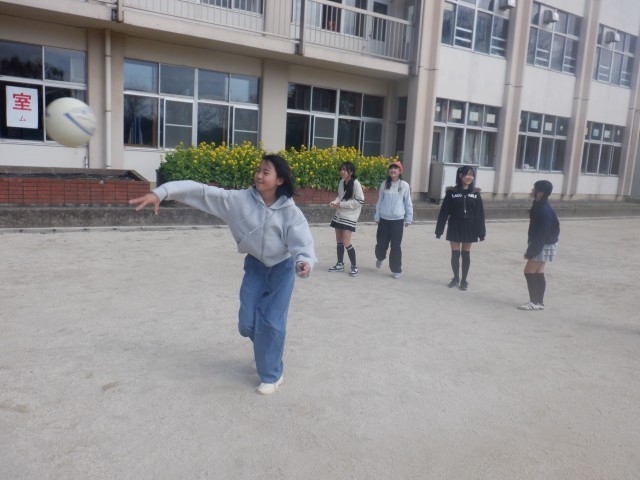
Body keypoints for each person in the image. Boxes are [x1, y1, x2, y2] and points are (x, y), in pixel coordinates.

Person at [129, 154, 317, 395]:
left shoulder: (291, 212)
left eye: (266, 172)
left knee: (272, 322)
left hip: (282, 269)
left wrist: (304, 261)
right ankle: (264, 351)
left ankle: (272, 374)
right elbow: (201, 192)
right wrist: (162, 192)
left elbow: (302, 242)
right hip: (255, 266)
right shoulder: (238, 201)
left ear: (280, 180)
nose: (259, 175)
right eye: (258, 170)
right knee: (247, 323)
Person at [435, 165, 485, 291]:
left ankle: (464, 280)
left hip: (470, 226)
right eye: (467, 174)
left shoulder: (475, 194)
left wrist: (481, 232)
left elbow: (480, 214)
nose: (470, 177)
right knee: (455, 254)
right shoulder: (452, 193)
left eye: (472, 175)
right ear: (460, 175)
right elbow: (444, 212)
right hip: (455, 225)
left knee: (466, 254)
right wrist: (439, 230)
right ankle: (456, 278)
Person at [518, 180, 560, 311]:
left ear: (540, 192)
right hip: (545, 243)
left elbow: (542, 233)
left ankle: (534, 302)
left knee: (529, 271)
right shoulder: (539, 204)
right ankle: (539, 302)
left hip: (543, 244)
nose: (532, 191)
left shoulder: (543, 209)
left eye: (534, 189)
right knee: (538, 272)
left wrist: (531, 251)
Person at [374, 161, 413, 279]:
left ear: (400, 171)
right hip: (384, 219)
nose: (393, 170)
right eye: (391, 168)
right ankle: (380, 258)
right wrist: (377, 216)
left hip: (397, 220)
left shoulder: (404, 185)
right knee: (381, 244)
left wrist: (409, 218)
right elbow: (379, 201)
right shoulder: (384, 184)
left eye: (396, 168)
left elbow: (408, 202)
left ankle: (396, 269)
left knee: (396, 246)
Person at [328, 161, 365, 277]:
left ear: (351, 172)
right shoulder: (341, 182)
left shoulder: (356, 184)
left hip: (350, 216)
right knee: (339, 240)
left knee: (346, 241)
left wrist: (341, 205)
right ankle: (340, 264)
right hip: (339, 214)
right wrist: (334, 202)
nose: (342, 172)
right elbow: (340, 196)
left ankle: (354, 267)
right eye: (341, 169)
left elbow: (360, 201)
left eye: (345, 170)